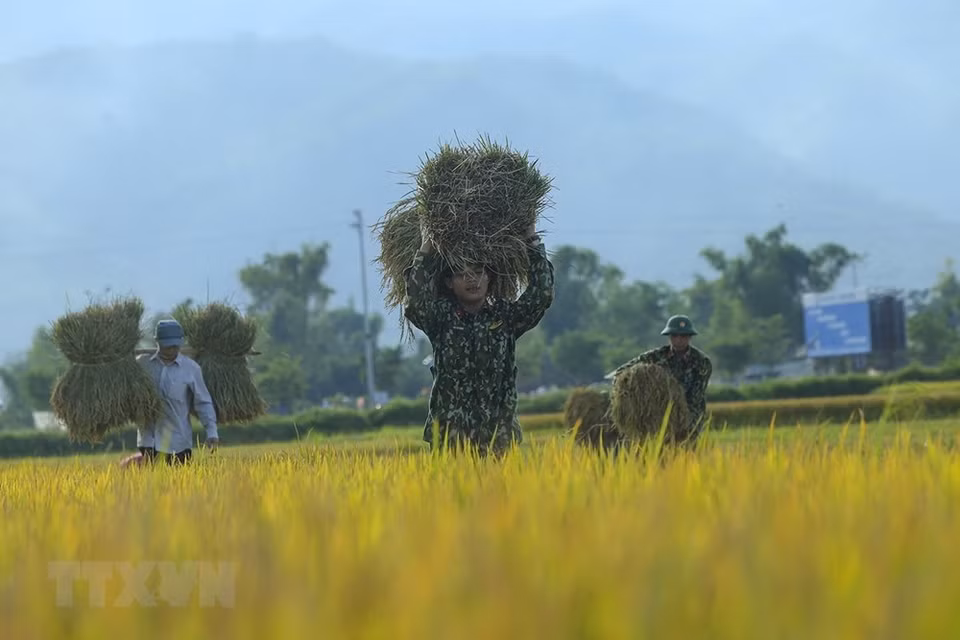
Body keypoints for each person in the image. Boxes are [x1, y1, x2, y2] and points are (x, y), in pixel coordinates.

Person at [403, 221, 555, 457]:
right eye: (462, 274)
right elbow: (415, 303)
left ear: (489, 278)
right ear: (449, 283)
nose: (472, 280)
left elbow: (541, 295)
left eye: (478, 272)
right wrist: (426, 248)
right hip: (450, 439)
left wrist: (532, 241)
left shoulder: (504, 317)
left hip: (499, 436)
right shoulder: (441, 319)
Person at [123, 319, 219, 467]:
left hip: (178, 444)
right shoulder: (142, 364)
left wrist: (212, 431)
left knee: (180, 481)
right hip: (149, 441)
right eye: (168, 346)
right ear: (158, 342)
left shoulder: (191, 369)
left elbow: (203, 402)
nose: (172, 350)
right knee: (151, 480)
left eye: (175, 346)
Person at [608, 315, 713, 443]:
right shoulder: (655, 356)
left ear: (689, 337)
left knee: (684, 450)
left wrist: (680, 420)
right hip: (657, 418)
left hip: (688, 418)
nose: (679, 340)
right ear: (669, 337)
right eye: (675, 336)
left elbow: (695, 398)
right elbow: (621, 372)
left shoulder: (702, 362)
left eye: (683, 336)